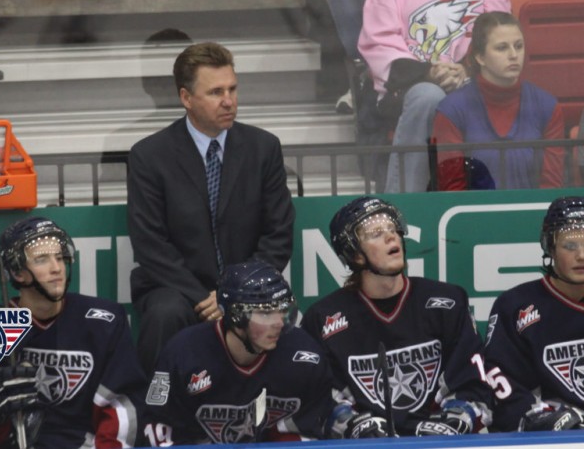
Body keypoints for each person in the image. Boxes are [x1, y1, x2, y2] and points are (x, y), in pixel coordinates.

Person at [127, 41, 295, 374]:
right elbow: (150, 244)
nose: (229, 101)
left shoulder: (264, 148)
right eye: (215, 92)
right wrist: (208, 298)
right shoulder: (149, 156)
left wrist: (236, 293)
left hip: (249, 284)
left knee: (276, 310)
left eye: (232, 89)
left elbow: (278, 231)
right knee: (165, 312)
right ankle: (157, 413)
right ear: (186, 98)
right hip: (176, 287)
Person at [302, 196, 494, 436]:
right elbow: (318, 399)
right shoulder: (323, 319)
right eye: (375, 234)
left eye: (393, 228)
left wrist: (459, 417)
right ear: (354, 254)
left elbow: (472, 381)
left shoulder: (448, 301)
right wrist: (350, 423)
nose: (391, 236)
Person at [0, 216, 146, 448]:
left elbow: (121, 406)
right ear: (18, 272)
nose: (57, 268)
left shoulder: (104, 322)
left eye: (59, 257)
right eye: (42, 260)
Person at [143, 260, 335, 445]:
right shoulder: (182, 355)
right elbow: (159, 428)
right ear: (235, 317)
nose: (278, 323)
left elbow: (308, 429)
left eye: (283, 310)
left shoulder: (305, 357)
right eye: (266, 313)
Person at [357, 0, 511, 193]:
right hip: (408, 86)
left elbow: (500, 33)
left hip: (470, 76)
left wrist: (467, 70)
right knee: (428, 96)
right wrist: (428, 73)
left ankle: (486, 204)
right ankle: (406, 205)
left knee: (478, 94)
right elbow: (381, 45)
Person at [433, 11, 566, 191]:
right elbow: (453, 191)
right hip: (471, 216)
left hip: (533, 216)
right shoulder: (451, 111)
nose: (513, 55)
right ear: (480, 57)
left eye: (518, 46)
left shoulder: (548, 108)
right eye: (502, 48)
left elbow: (551, 189)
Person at [483, 196, 584, 432]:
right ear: (550, 247)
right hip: (552, 439)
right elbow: (501, 382)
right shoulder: (516, 306)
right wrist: (541, 418)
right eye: (570, 245)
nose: (581, 254)